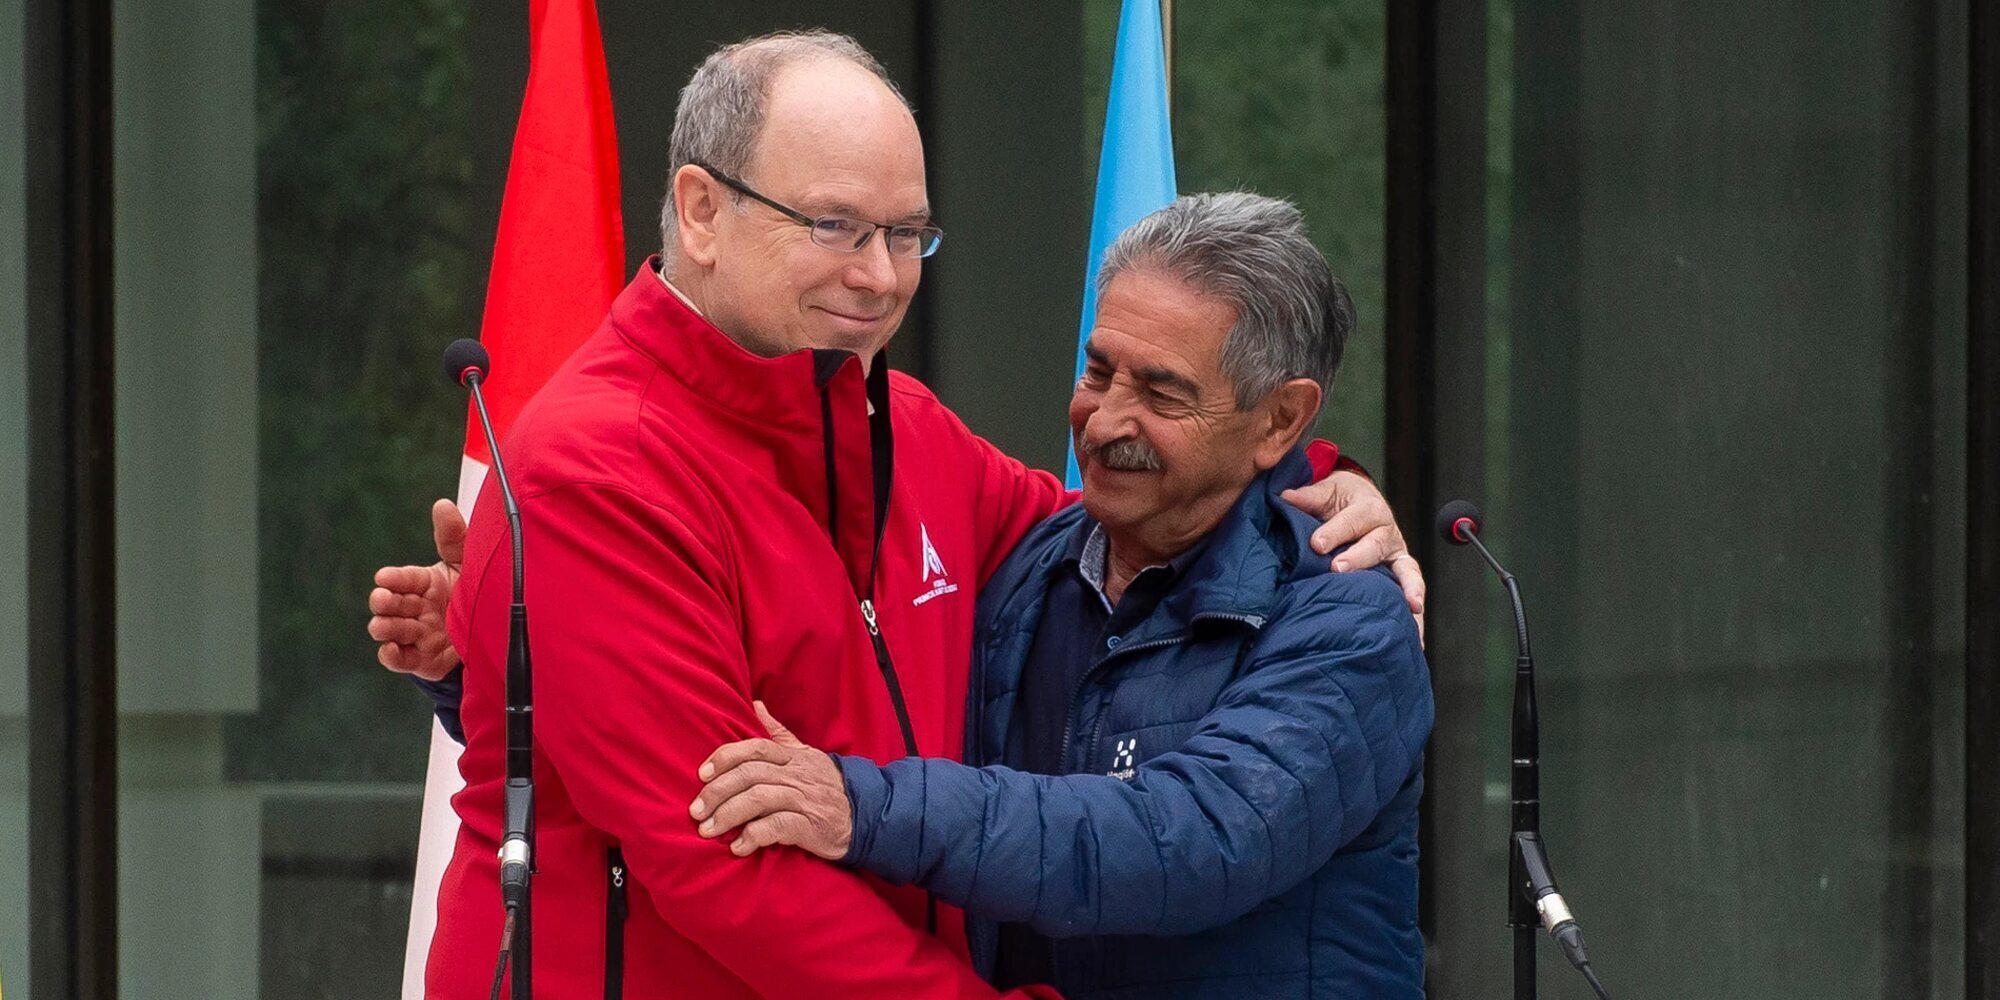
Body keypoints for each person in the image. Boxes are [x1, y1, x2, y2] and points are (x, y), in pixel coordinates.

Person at [369, 31, 1425, 999]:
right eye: (833, 225)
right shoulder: (594, 472)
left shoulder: (901, 427)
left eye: (907, 233)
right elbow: (724, 865)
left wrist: (1312, 484)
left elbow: (1128, 509)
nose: (878, 276)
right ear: (699, 210)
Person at [687, 193, 1431, 999]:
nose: (1106, 419)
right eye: (1099, 370)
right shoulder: (1031, 556)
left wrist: (861, 805)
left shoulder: (1349, 619)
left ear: (1280, 420)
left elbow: (1188, 843)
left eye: (1162, 393)